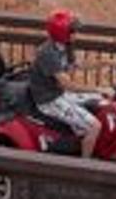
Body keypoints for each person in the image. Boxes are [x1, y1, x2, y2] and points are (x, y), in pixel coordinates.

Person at [28, 8, 111, 159]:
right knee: (95, 126)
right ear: (63, 34)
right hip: (49, 101)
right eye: (73, 31)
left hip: (59, 93)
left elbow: (78, 65)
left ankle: (80, 139)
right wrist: (99, 88)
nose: (76, 34)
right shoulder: (48, 54)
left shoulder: (64, 46)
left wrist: (106, 62)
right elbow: (68, 85)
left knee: (101, 101)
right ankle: (82, 166)